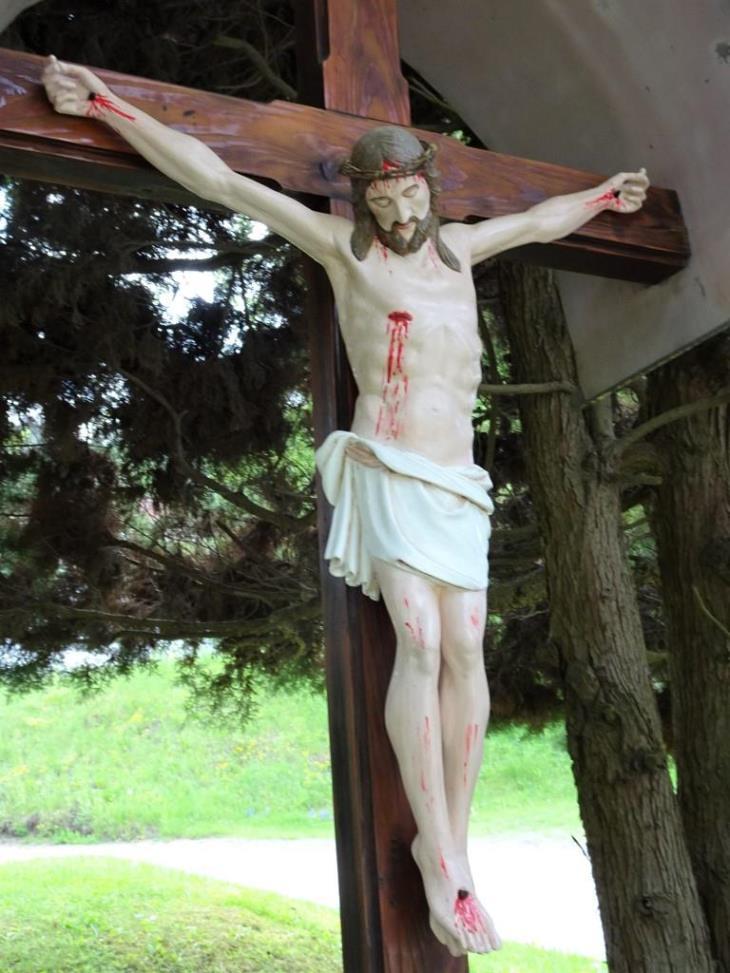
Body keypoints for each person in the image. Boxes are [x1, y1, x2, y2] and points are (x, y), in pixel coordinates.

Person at [42, 55, 649, 957]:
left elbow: (539, 218)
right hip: (390, 464)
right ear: (363, 200)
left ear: (430, 189)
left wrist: (603, 197)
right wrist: (104, 104)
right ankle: (439, 852)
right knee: (422, 639)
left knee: (468, 645)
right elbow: (219, 178)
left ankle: (453, 846)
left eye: (411, 197)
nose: (400, 216)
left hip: (457, 481)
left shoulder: (463, 248)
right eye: (384, 201)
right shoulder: (342, 250)